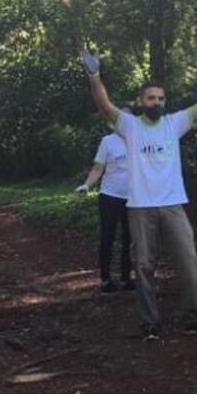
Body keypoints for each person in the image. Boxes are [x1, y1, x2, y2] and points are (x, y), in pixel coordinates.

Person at [80, 44, 197, 340]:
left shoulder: (174, 123)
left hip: (172, 204)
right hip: (140, 206)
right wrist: (94, 76)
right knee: (144, 266)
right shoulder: (130, 126)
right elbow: (104, 105)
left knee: (189, 263)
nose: (156, 102)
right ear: (141, 101)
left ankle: (193, 318)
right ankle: (150, 323)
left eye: (160, 98)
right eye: (151, 98)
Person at [76, 107, 133, 293]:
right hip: (109, 197)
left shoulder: (139, 142)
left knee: (129, 239)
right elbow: (97, 169)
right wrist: (87, 185)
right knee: (107, 237)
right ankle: (106, 279)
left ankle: (126, 279)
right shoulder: (108, 142)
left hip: (133, 199)